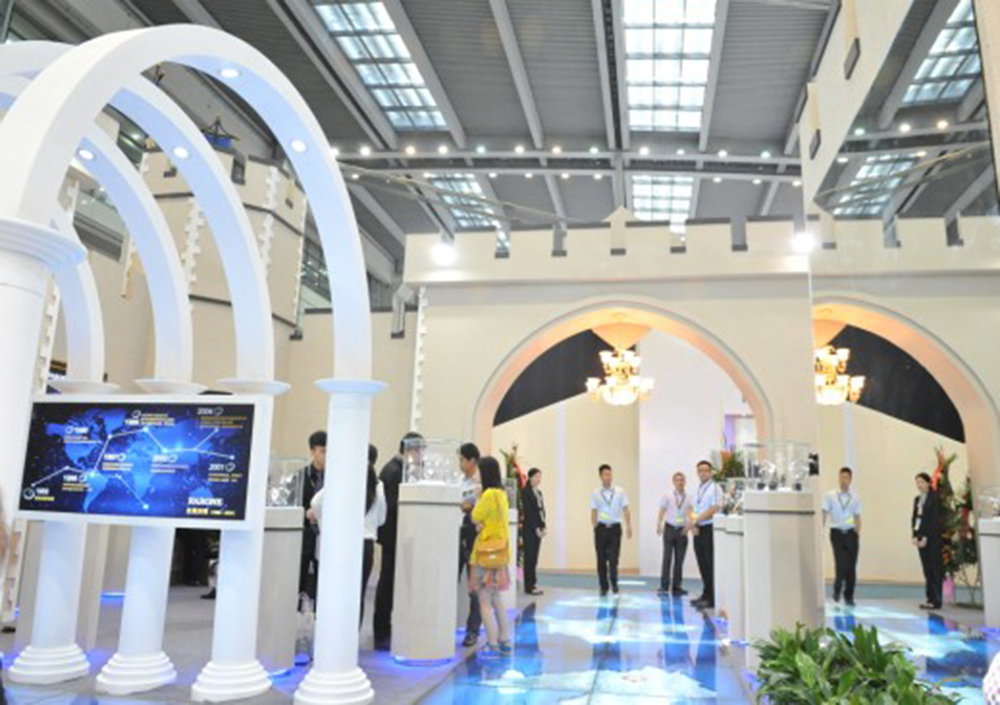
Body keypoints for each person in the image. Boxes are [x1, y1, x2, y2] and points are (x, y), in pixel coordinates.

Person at [308, 444, 386, 628]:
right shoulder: (378, 486)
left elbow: (316, 502)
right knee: (358, 596)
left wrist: (326, 522)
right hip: (366, 545)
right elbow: (382, 518)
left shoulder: (342, 480)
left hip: (342, 544)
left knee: (337, 592)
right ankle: (352, 638)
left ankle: (332, 635)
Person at [373, 431, 422, 651]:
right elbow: (393, 506)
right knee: (388, 583)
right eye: (419, 450)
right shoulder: (393, 471)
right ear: (409, 449)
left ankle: (387, 629)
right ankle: (382, 631)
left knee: (392, 582)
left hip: (397, 535)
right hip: (392, 535)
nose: (421, 456)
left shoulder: (399, 469)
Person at [470, 456, 512, 658]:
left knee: (484, 599)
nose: (476, 474)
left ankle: (492, 643)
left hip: (486, 553)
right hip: (499, 553)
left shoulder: (487, 494)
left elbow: (475, 516)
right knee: (496, 597)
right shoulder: (501, 494)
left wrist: (477, 498)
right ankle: (505, 639)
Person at [590, 464, 632, 596]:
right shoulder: (595, 493)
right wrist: (595, 526)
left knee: (614, 558)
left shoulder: (620, 491)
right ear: (600, 476)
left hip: (615, 529)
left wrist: (628, 525)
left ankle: (614, 583)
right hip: (601, 529)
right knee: (601, 559)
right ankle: (603, 586)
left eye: (610, 474)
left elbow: (626, 509)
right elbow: (593, 511)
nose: (608, 477)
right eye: (605, 474)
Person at [822, 466, 862, 606]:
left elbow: (857, 516)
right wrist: (820, 529)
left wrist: (857, 531)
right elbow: (824, 512)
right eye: (841, 477)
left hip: (851, 533)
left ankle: (849, 596)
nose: (843, 480)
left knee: (851, 566)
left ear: (850, 479)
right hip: (837, 533)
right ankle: (837, 590)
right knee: (840, 564)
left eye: (846, 478)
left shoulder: (855, 497)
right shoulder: (830, 495)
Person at [458, 442, 484, 648]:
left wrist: (467, 506)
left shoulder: (480, 485)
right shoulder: (458, 481)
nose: (460, 463)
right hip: (455, 535)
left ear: (472, 461)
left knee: (474, 586)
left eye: (462, 460)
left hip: (472, 537)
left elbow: (473, 508)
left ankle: (473, 630)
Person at [298, 430, 326, 605]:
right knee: (300, 572)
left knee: (323, 575)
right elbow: (294, 504)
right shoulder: (301, 476)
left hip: (325, 533)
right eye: (322, 451)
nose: (326, 455)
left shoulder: (336, 477)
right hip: (306, 532)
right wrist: (306, 513)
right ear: (312, 452)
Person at [689, 460, 720, 609]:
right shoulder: (698, 489)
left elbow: (714, 508)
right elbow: (694, 509)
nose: (703, 473)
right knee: (702, 564)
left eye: (706, 470)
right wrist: (694, 523)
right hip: (698, 529)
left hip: (709, 529)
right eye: (700, 470)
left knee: (710, 564)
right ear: (697, 473)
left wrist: (696, 520)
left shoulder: (715, 488)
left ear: (710, 472)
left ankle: (712, 598)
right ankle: (706, 594)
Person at [657, 471, 692, 596]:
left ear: (685, 482)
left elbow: (690, 512)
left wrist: (689, 526)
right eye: (677, 480)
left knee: (679, 559)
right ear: (673, 482)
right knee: (667, 558)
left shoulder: (689, 496)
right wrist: (659, 524)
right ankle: (664, 586)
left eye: (682, 480)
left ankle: (677, 586)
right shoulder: (668, 495)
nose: (680, 482)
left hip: (682, 530)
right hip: (669, 529)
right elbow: (662, 510)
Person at [912, 472, 944, 610]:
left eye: (922, 482)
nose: (919, 485)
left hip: (932, 539)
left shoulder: (934, 498)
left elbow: (934, 520)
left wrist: (926, 537)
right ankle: (929, 598)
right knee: (927, 570)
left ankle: (936, 600)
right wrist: (915, 535)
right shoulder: (918, 499)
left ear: (928, 483)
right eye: (917, 482)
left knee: (934, 569)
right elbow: (915, 519)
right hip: (921, 538)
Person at [521, 467, 547, 597]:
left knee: (535, 557)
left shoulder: (539, 493)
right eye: (536, 476)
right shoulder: (525, 492)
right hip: (529, 529)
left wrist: (543, 526)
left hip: (538, 528)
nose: (538, 479)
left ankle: (533, 583)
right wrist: (536, 528)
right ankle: (528, 586)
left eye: (539, 477)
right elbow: (529, 512)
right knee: (529, 557)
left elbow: (541, 510)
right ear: (530, 477)